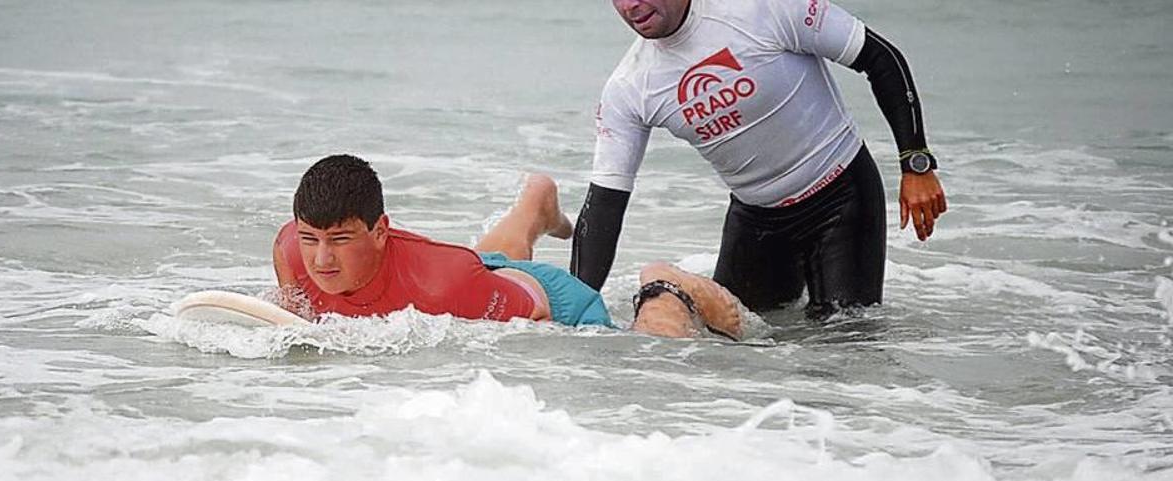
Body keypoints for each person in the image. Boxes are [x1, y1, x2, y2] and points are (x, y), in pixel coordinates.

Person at [573, 0, 948, 318]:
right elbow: (605, 202)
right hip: (757, 220)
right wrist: (576, 307)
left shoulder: (760, 8)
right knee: (732, 342)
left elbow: (881, 58)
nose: (630, 6)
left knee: (842, 346)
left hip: (841, 198)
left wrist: (915, 162)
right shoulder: (629, 86)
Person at [272, 154, 745, 340]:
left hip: (550, 299)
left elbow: (533, 317)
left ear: (380, 231)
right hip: (476, 274)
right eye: (311, 238)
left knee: (648, 351)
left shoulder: (444, 284)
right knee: (480, 269)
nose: (321, 259)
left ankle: (661, 284)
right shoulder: (291, 250)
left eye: (339, 240)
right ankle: (534, 205)